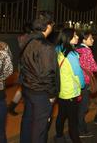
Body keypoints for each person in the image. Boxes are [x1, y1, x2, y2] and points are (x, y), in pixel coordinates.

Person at [19, 13, 59, 143]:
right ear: (47, 26)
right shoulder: (47, 47)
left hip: (27, 87)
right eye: (51, 25)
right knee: (40, 128)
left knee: (28, 120)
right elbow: (48, 73)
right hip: (41, 92)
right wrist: (52, 94)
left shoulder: (26, 40)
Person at [54, 28, 85, 143]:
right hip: (71, 91)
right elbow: (78, 74)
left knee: (61, 114)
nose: (77, 37)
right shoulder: (71, 55)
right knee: (73, 120)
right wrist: (82, 85)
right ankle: (76, 140)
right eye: (75, 35)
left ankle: (59, 136)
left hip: (61, 90)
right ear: (69, 38)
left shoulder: (58, 49)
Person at [76, 31, 97, 138]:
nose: (93, 40)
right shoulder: (87, 51)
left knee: (79, 106)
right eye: (90, 38)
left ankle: (79, 127)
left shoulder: (76, 49)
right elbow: (95, 67)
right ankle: (80, 131)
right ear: (84, 40)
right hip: (85, 82)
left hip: (76, 82)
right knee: (83, 108)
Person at [8, 23, 33, 116]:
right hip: (28, 64)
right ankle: (12, 107)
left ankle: (12, 106)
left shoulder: (21, 37)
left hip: (22, 63)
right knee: (24, 87)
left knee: (23, 87)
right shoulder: (30, 38)